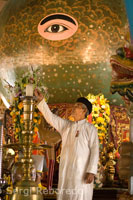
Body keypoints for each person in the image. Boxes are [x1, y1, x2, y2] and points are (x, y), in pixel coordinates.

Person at [34, 89, 99, 200]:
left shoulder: (90, 129)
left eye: (77, 106)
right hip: (66, 170)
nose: (73, 107)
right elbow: (51, 118)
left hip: (81, 172)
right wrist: (41, 102)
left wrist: (91, 171)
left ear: (84, 110)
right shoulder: (67, 126)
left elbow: (95, 150)